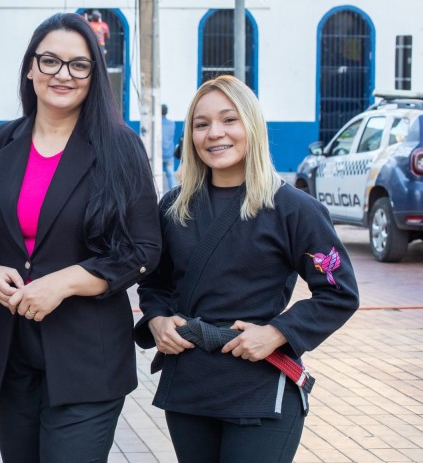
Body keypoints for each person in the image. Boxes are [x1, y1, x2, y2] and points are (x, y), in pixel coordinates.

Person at [0, 12, 162, 463]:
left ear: (94, 75)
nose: (63, 74)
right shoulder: (1, 142)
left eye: (79, 65)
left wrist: (66, 282)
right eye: (50, 61)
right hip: (9, 350)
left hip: (87, 356)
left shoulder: (120, 147)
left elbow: (143, 249)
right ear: (30, 68)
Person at [136, 75, 360, 463]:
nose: (214, 133)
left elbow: (339, 292)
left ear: (252, 125)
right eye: (201, 124)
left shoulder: (294, 209)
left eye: (229, 119)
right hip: (190, 382)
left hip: (260, 382)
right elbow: (154, 283)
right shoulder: (174, 207)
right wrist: (157, 320)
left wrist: (277, 332)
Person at [162, 103, 177, 190]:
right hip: (169, 153)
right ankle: (174, 194)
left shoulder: (156, 124)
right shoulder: (172, 124)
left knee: (154, 176)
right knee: (171, 176)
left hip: (158, 155)